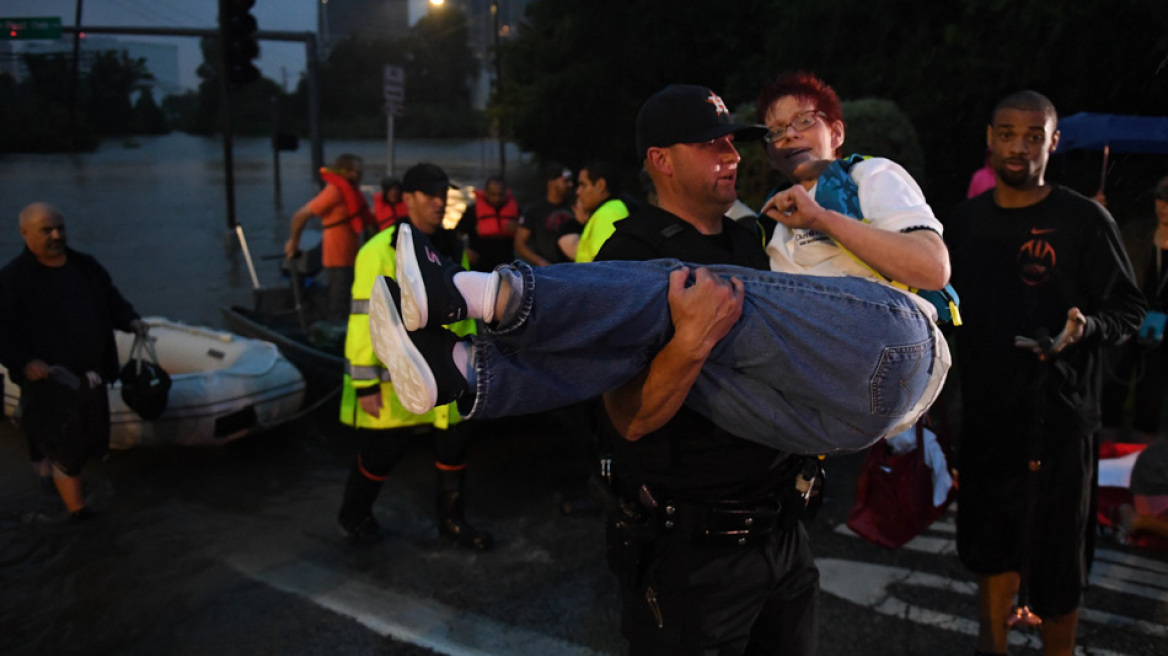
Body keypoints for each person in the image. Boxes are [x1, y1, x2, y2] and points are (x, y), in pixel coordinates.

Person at [370, 82, 951, 653]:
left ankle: (468, 345)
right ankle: (465, 352)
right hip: (690, 556)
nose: (732, 156)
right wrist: (689, 344)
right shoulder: (627, 253)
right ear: (661, 161)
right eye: (712, 144)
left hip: (785, 533)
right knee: (671, 301)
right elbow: (629, 420)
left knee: (688, 303)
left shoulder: (758, 241)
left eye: (734, 142)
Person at [946, 90, 1145, 656]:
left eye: (1034, 136)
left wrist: (1085, 329)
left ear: (1053, 143)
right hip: (985, 419)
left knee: (1058, 562)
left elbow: (1129, 308)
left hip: (1060, 421)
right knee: (989, 550)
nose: (1019, 147)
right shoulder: (963, 222)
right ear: (990, 138)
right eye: (1008, 134)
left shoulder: (1084, 219)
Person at [337, 163, 492, 550]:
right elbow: (362, 320)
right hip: (394, 377)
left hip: (451, 370)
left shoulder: (454, 248)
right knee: (382, 452)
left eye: (444, 194)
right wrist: (365, 384)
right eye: (431, 194)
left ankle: (452, 522)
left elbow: (467, 314)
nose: (440, 202)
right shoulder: (379, 251)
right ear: (408, 198)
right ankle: (354, 517)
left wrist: (476, 366)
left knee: (454, 447)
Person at [0, 202, 147, 521]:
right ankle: (77, 514)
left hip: (91, 373)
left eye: (60, 228)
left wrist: (131, 319)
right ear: (25, 233)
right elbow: (3, 332)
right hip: (48, 379)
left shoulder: (86, 266)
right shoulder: (13, 278)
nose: (56, 235)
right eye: (46, 230)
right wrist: (25, 362)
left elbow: (112, 299)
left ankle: (54, 483)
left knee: (87, 439)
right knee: (64, 445)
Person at [1100, 174, 1168, 444]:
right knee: (1114, 385)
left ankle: (1142, 449)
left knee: (1152, 390)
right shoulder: (1137, 235)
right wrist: (1098, 213)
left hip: (1162, 334)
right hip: (1130, 322)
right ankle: (1108, 446)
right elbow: (1111, 266)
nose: (1163, 206)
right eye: (1160, 198)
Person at [284, 154, 375, 321]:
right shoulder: (334, 192)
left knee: (351, 300)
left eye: (359, 172)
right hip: (337, 258)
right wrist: (294, 242)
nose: (357, 175)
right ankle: (333, 330)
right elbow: (299, 216)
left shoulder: (352, 191)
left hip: (352, 258)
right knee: (339, 305)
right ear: (341, 171)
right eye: (352, 171)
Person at [558, 161, 629, 263]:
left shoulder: (608, 213)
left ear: (600, 185)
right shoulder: (610, 209)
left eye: (583, 185)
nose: (578, 191)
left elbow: (604, 264)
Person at [514, 162, 574, 266]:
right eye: (565, 181)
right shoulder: (534, 210)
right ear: (551, 182)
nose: (570, 184)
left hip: (573, 267)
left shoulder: (576, 207)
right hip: (547, 269)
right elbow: (520, 243)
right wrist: (541, 262)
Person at [457, 175, 520, 272]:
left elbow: (528, 240)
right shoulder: (472, 211)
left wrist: (518, 230)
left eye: (501, 195)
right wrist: (465, 251)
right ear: (486, 192)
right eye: (493, 195)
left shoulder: (516, 212)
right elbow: (456, 235)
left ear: (506, 193)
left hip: (506, 267)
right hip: (479, 267)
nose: (497, 199)